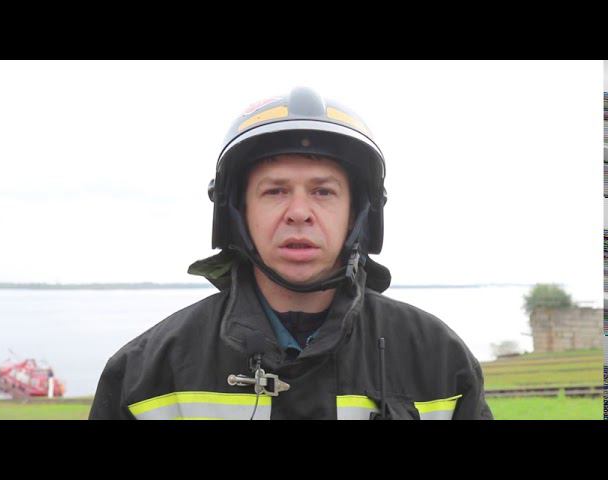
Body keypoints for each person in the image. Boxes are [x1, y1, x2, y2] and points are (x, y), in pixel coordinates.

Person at [88, 87, 493, 420]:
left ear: (357, 214)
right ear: (238, 212)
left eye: (323, 192)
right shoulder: (146, 375)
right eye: (275, 191)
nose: (299, 212)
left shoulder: (439, 359)